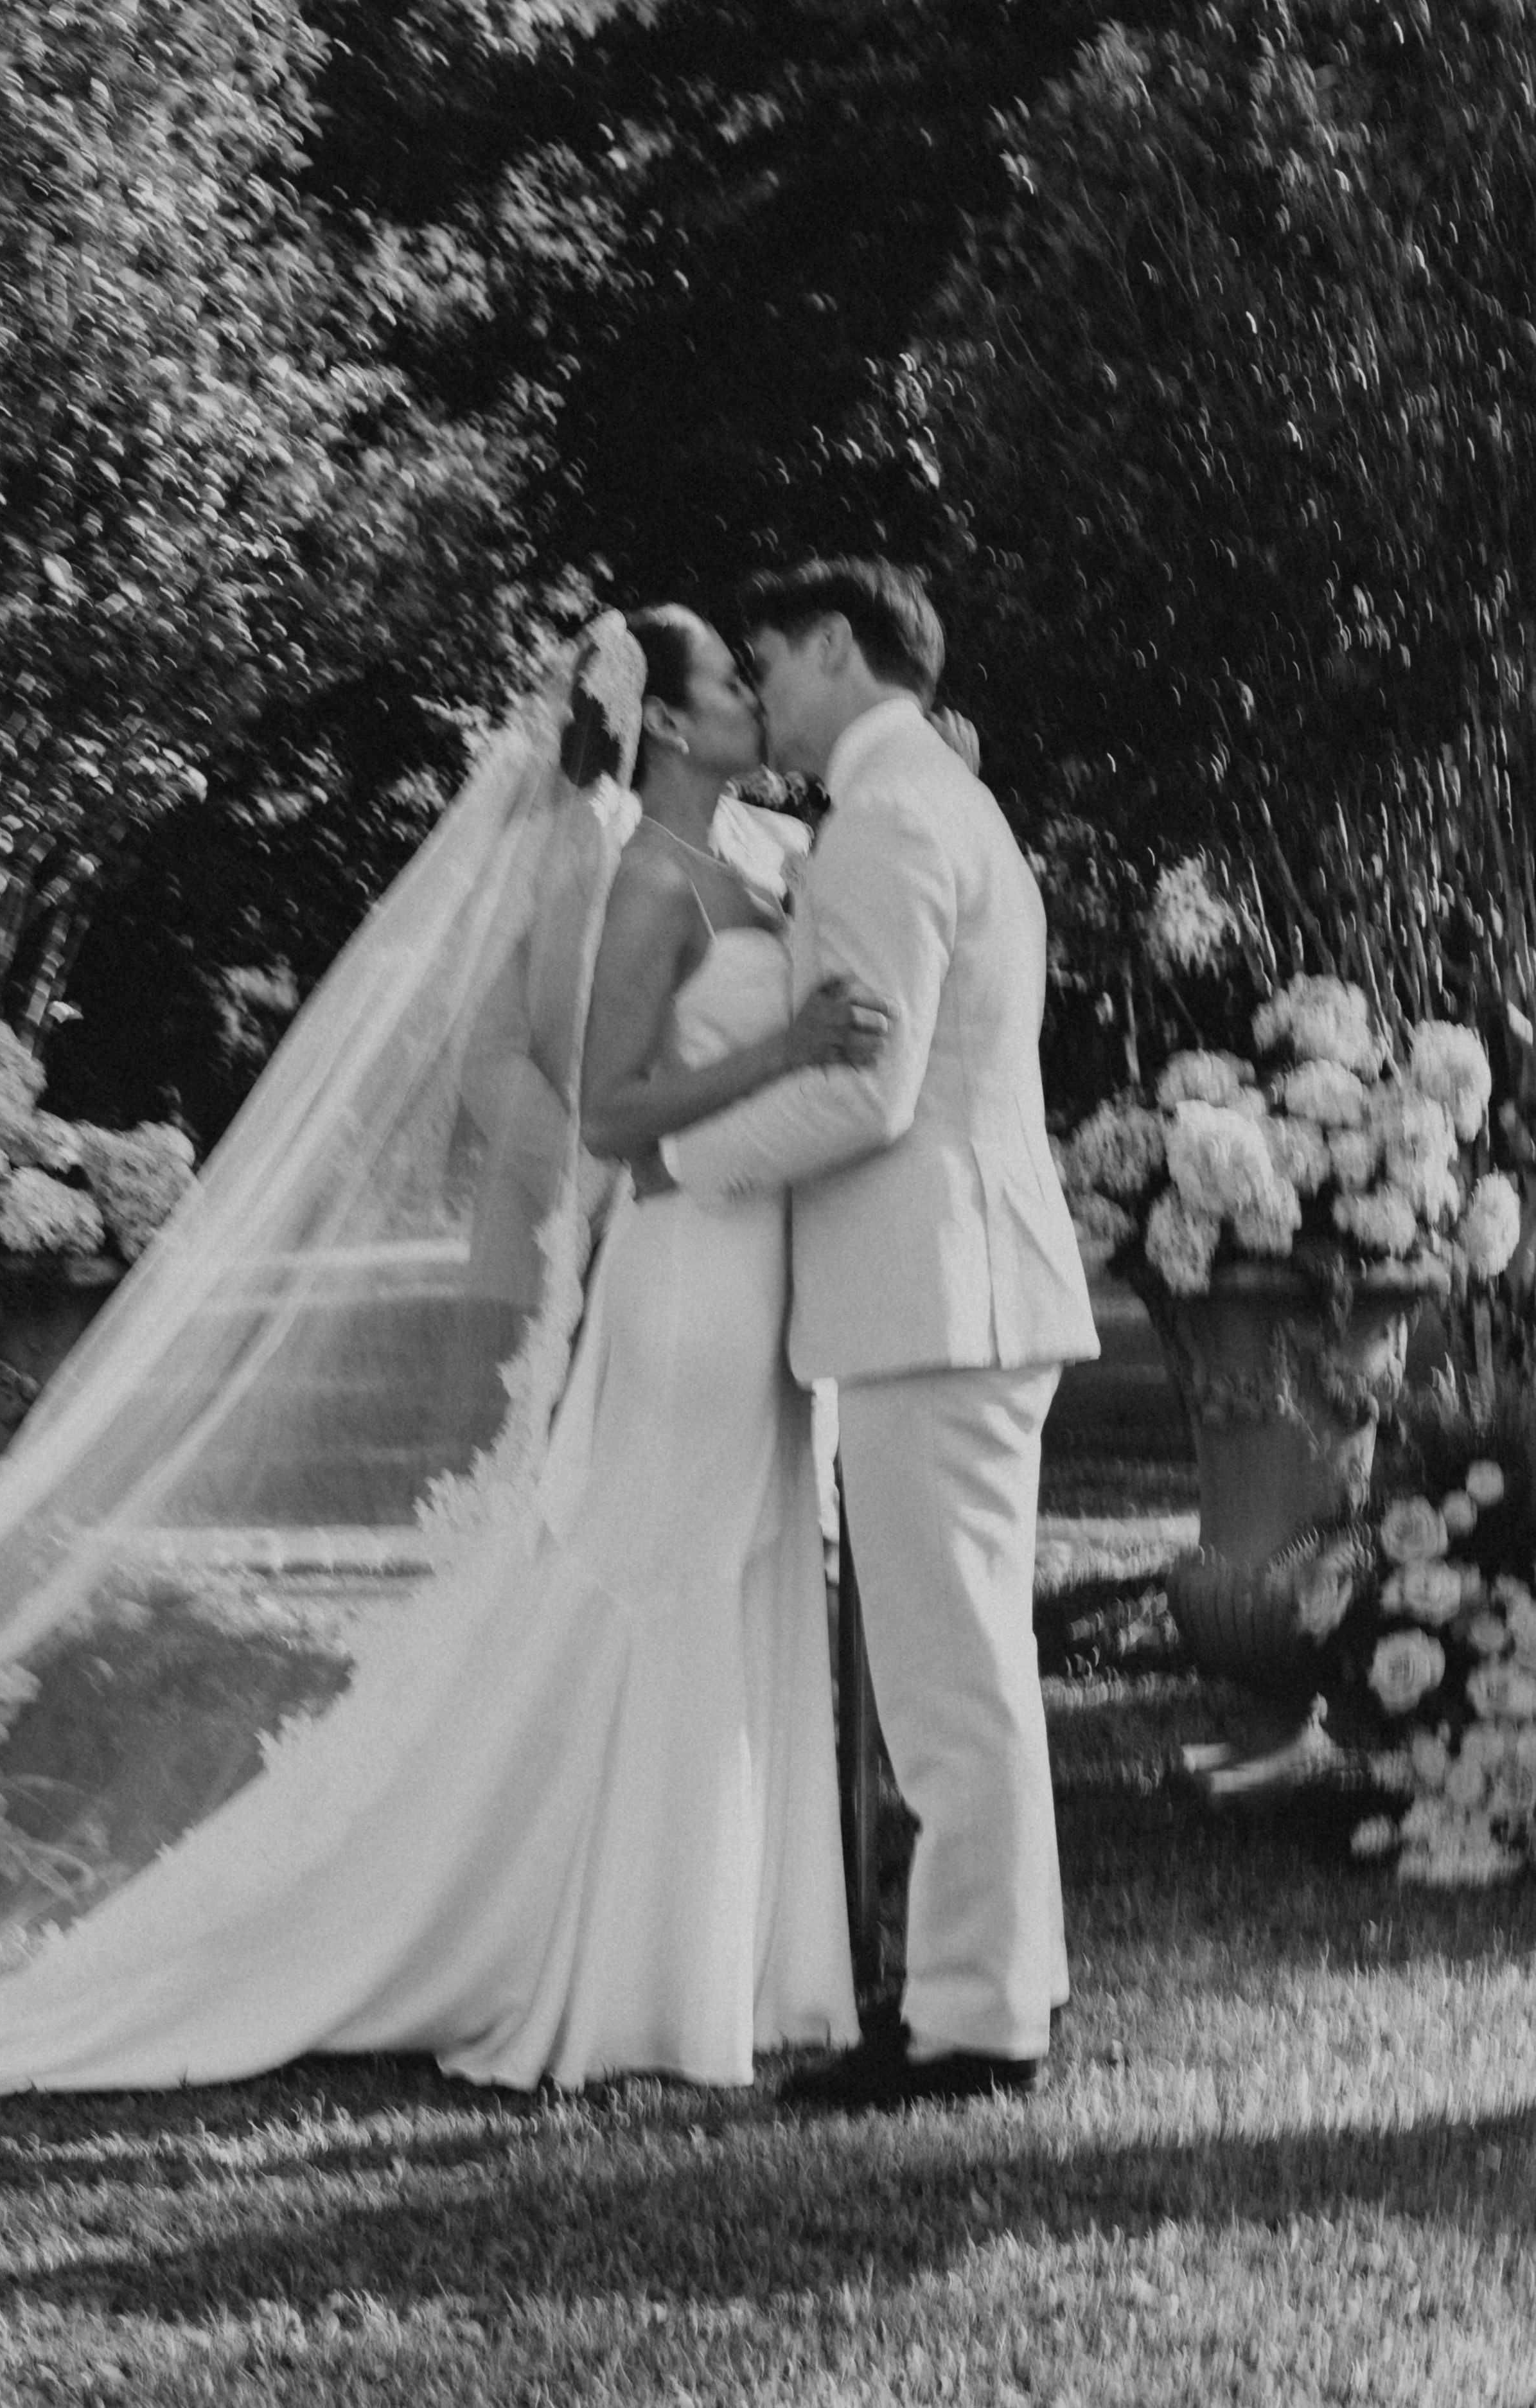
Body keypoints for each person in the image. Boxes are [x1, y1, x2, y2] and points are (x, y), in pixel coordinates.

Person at [0, 605, 880, 2096]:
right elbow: (612, 1114)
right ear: (675, 726)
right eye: (729, 686)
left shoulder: (763, 856)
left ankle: (746, 1954)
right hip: (686, 1273)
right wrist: (789, 1048)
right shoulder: (638, 878)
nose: (760, 699)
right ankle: (634, 1969)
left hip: (763, 1278)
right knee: (661, 1595)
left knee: (735, 1588)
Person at [653, 558, 1101, 2109]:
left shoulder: (889, 818)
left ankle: (972, 2023)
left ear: (836, 645)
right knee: (963, 1665)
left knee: (947, 1676)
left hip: (941, 1296)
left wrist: (675, 1160)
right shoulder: (928, 800)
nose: (761, 687)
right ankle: (1004, 1984)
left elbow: (867, 1089)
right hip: (955, 1286)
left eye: (768, 656)